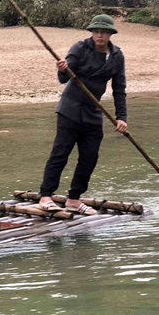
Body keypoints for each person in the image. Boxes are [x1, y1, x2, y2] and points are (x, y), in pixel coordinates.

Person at [37, 14, 127, 215]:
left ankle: (74, 198)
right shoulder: (80, 48)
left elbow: (119, 89)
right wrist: (63, 70)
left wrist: (122, 118)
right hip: (70, 110)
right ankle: (45, 196)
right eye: (96, 31)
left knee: (89, 157)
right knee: (61, 153)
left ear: (110, 34)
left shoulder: (116, 56)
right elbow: (64, 78)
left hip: (93, 113)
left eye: (103, 32)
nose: (99, 35)